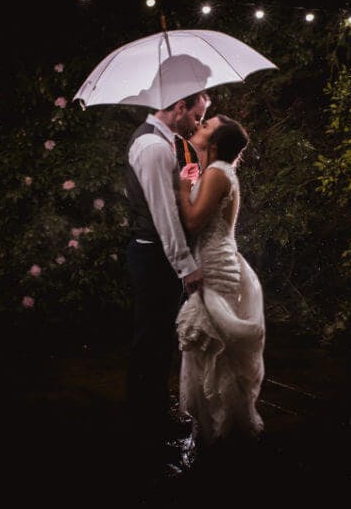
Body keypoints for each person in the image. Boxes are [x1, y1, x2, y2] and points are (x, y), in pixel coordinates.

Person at [124, 90, 210, 449]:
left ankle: (148, 414)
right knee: (154, 341)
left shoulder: (160, 140)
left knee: (155, 339)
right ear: (179, 108)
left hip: (153, 253)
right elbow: (164, 216)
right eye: (197, 114)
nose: (198, 123)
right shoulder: (155, 148)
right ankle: (147, 423)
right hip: (155, 254)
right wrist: (186, 266)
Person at [175, 115, 266, 448]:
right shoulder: (219, 172)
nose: (198, 126)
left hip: (215, 264)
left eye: (205, 126)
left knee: (213, 346)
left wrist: (183, 188)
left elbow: (195, 220)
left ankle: (222, 430)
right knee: (213, 346)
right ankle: (220, 427)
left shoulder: (216, 173)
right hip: (216, 259)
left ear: (214, 144)